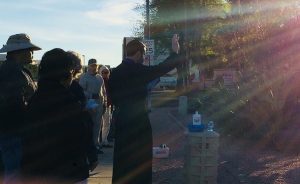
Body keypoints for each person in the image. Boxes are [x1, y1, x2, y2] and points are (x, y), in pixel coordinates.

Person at [108, 34, 181, 184]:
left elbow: (113, 97)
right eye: (144, 54)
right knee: (140, 159)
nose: (144, 57)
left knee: (122, 158)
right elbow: (161, 68)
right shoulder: (137, 70)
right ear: (139, 53)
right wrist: (175, 52)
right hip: (138, 119)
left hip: (121, 118)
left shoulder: (115, 72)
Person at [22, 48, 97, 183]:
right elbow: (82, 132)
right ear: (66, 72)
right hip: (70, 170)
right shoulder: (69, 100)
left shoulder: (34, 101)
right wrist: (91, 156)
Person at [0, 33, 41, 183]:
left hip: (14, 129)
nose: (31, 53)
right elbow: (13, 103)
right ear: (19, 52)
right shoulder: (12, 72)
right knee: (14, 172)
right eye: (29, 50)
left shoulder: (19, 70)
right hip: (14, 130)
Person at [79, 59, 105, 154]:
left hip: (99, 102)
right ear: (88, 66)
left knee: (98, 125)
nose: (94, 67)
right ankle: (89, 146)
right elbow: (81, 91)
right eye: (92, 65)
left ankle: (95, 145)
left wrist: (104, 102)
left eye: (95, 65)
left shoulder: (100, 78)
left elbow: (103, 91)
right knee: (90, 124)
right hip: (90, 103)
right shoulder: (84, 77)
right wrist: (90, 95)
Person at [99, 65, 113, 148]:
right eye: (103, 72)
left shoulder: (110, 81)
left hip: (108, 105)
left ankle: (104, 140)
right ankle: (97, 142)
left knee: (107, 124)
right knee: (98, 125)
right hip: (100, 105)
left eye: (106, 72)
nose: (105, 74)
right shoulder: (99, 81)